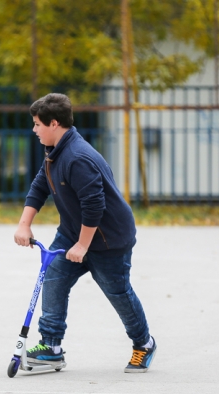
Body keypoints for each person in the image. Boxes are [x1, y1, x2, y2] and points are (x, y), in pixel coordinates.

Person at [13, 93, 155, 373]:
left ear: (54, 123)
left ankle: (144, 343)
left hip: (107, 238)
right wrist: (24, 223)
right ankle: (51, 347)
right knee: (53, 277)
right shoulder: (55, 151)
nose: (34, 130)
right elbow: (41, 185)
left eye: (37, 124)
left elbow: (94, 206)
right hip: (72, 233)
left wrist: (82, 245)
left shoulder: (78, 157)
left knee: (118, 292)